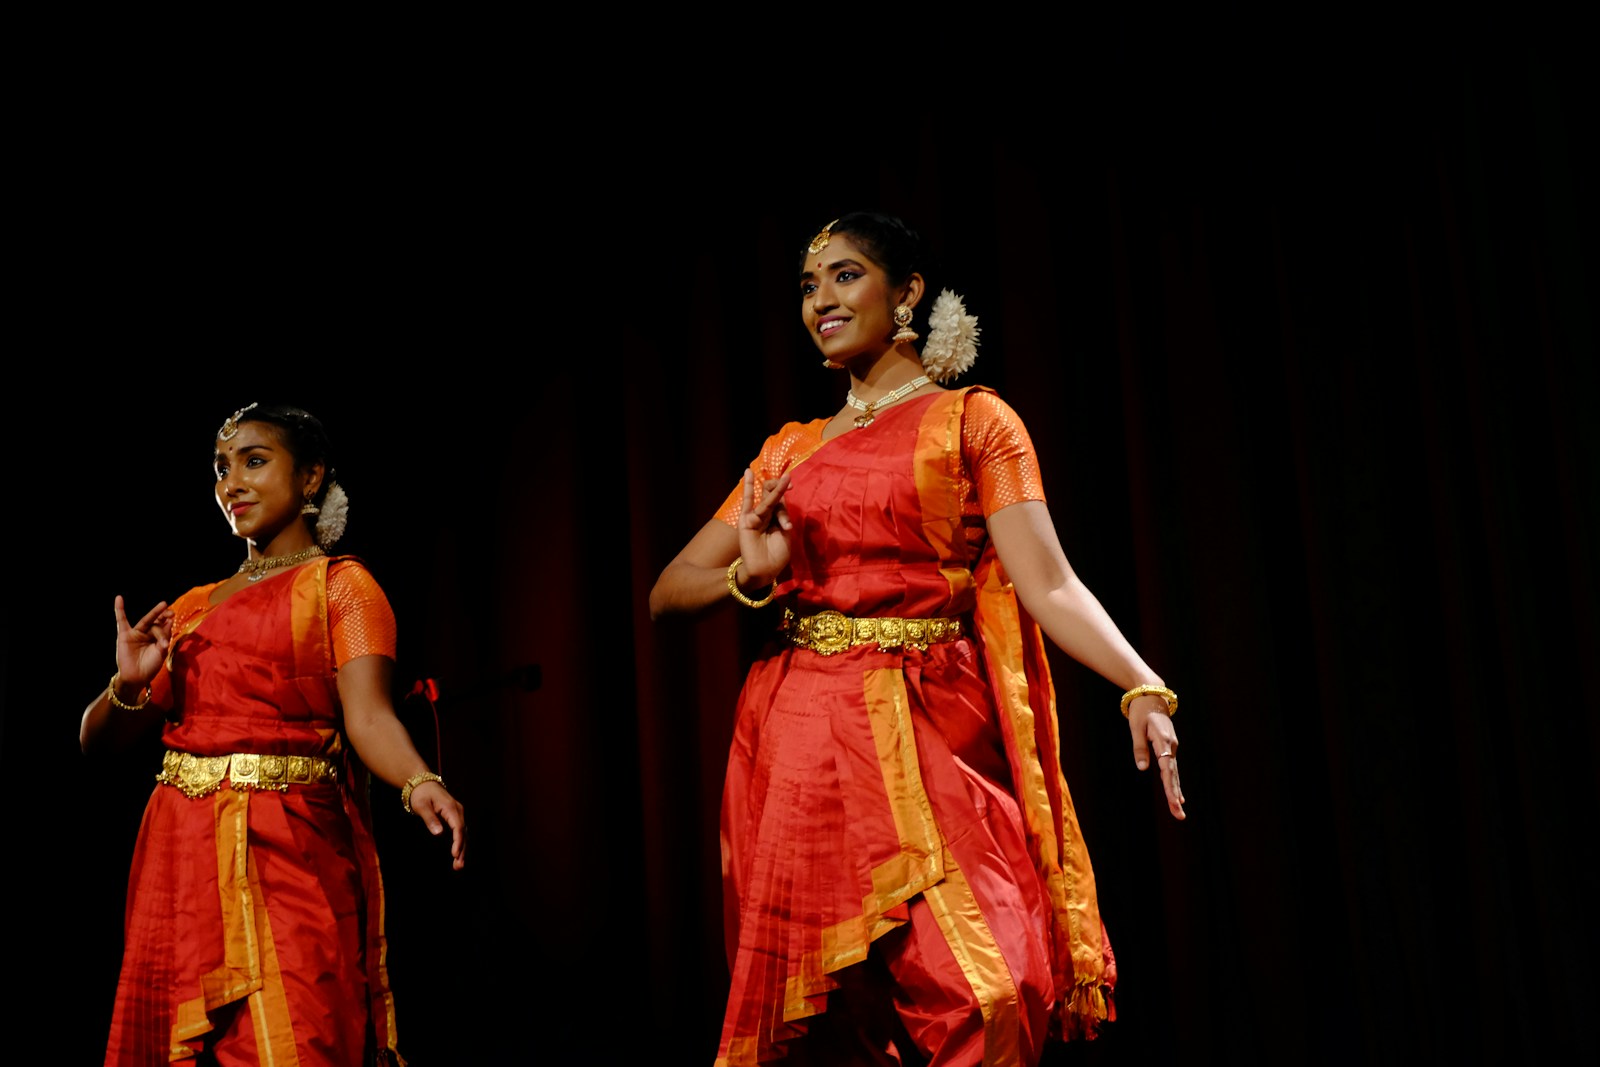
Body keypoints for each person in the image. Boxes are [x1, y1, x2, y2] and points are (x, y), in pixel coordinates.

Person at [650, 212, 1185, 1066]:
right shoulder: (790, 451)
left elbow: (1048, 581)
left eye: (846, 275)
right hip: (803, 740)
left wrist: (1141, 683)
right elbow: (668, 590)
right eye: (808, 284)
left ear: (907, 294)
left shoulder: (976, 423)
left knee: (994, 994)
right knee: (836, 1023)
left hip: (935, 731)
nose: (820, 299)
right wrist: (751, 576)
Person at [82, 402, 466, 1066]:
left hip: (288, 853)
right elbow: (97, 741)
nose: (231, 483)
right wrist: (130, 683)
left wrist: (419, 780)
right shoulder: (191, 608)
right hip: (181, 859)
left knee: (304, 1037)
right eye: (220, 468)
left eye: (255, 462)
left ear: (312, 475)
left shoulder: (342, 587)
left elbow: (369, 716)